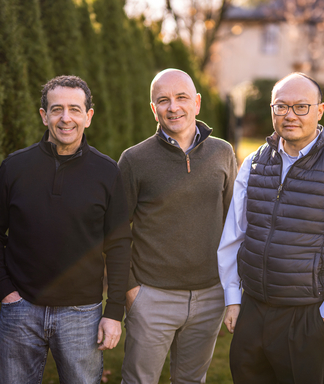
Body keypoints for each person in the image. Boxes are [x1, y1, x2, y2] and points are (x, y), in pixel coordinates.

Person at [218, 72, 324, 383]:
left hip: (303, 317)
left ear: (319, 110)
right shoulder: (255, 163)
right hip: (252, 310)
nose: (290, 115)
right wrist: (233, 298)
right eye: (281, 106)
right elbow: (234, 235)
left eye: (301, 107)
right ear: (272, 110)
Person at [0, 75, 131, 384]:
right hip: (21, 309)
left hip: (82, 314)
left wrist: (114, 311)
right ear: (43, 115)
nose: (65, 118)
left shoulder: (107, 172)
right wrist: (5, 291)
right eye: (57, 109)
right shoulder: (15, 167)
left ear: (88, 116)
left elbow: (119, 245)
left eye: (75, 109)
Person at [118, 68, 237, 384]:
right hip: (151, 296)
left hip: (210, 295)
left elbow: (233, 223)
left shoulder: (223, 153)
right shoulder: (134, 160)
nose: (173, 107)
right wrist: (132, 291)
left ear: (196, 103)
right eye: (163, 100)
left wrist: (232, 289)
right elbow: (115, 231)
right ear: (153, 108)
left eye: (181, 98)